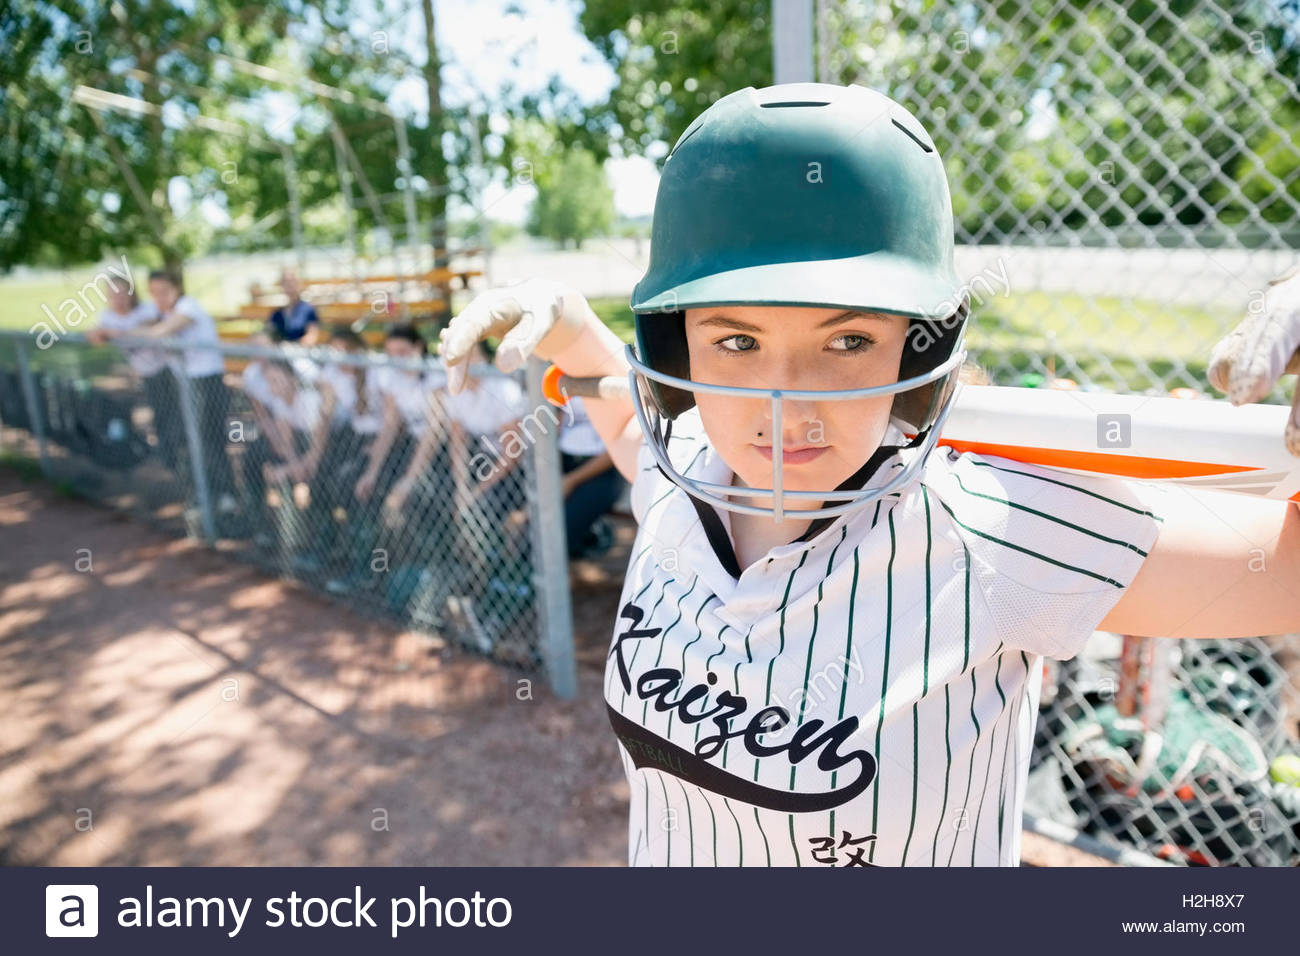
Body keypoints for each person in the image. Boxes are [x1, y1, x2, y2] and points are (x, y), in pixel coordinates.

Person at [438, 82, 1300, 867]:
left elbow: (1284, 574)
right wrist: (577, 337)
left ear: (920, 355)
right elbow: (628, 418)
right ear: (674, 354)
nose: (785, 405)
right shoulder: (688, 476)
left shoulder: (995, 530)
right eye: (736, 342)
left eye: (848, 341)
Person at [96, 269, 240, 524]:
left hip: (206, 383)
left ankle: (226, 496)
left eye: (164, 291)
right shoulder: (159, 312)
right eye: (154, 293)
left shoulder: (187, 307)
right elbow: (139, 325)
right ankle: (203, 493)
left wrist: (116, 333)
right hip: (183, 383)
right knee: (186, 440)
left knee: (209, 439)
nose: (159, 298)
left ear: (176, 289)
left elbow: (159, 332)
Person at [86, 274, 180, 471]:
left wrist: (113, 333)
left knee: (172, 415)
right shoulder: (107, 316)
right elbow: (96, 337)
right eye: (113, 293)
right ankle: (168, 457)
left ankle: (178, 455)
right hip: (141, 372)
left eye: (122, 292)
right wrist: (100, 332)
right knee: (157, 415)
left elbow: (146, 329)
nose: (118, 297)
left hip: (166, 369)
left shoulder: (147, 309)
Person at [557, 394, 626, 559]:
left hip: (602, 472)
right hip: (563, 463)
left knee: (560, 532)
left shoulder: (612, 381)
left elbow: (615, 450)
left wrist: (571, 481)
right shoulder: (558, 376)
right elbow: (552, 428)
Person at [266, 269, 320, 344]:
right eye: (286, 283)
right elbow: (269, 333)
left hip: (300, 352)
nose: (289, 286)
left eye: (292, 282)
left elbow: (312, 336)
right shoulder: (277, 313)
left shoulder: (308, 309)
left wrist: (294, 346)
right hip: (279, 353)